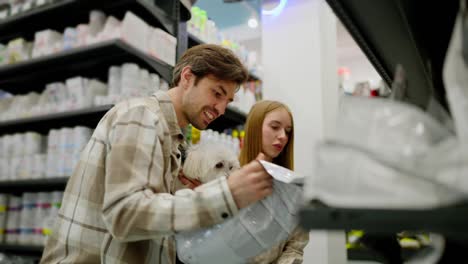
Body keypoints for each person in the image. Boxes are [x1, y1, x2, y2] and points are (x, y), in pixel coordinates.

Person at [40, 44, 273, 264]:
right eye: (217, 93)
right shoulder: (143, 117)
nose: (221, 109)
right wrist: (227, 195)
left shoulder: (171, 137)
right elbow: (125, 214)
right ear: (187, 77)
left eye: (228, 101)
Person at [240, 100, 309, 264]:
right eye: (275, 127)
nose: (283, 136)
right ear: (255, 128)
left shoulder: (293, 188)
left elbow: (294, 248)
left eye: (288, 131)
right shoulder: (227, 179)